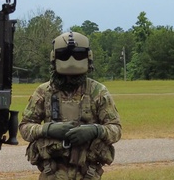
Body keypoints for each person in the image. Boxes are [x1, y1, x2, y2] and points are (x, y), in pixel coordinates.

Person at [19, 31, 122, 180]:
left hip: (88, 173)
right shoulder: (44, 92)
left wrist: (95, 130)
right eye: (64, 55)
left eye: (79, 55)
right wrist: (48, 130)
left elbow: (116, 130)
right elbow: (25, 128)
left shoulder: (98, 92)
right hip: (52, 173)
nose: (72, 60)